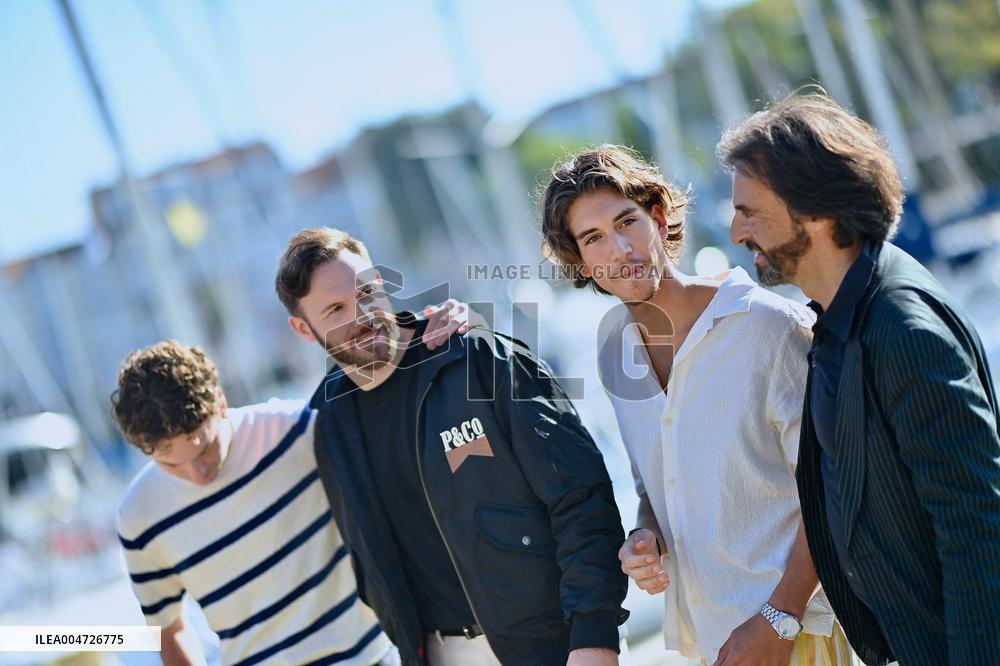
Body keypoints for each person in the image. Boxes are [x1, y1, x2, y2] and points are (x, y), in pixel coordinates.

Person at [540, 145, 856, 666]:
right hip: (715, 644)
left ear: (659, 219)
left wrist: (781, 617)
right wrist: (645, 534)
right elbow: (655, 482)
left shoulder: (768, 326)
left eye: (627, 222)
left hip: (809, 634)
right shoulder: (614, 353)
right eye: (593, 238)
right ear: (581, 262)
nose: (619, 249)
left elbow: (836, 487)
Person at [718, 90, 1000, 666]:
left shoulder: (902, 329)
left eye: (749, 210)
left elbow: (979, 531)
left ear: (815, 213)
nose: (736, 231)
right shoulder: (835, 321)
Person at [276, 227, 629, 666]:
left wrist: (594, 634)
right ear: (303, 329)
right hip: (444, 655)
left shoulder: (475, 359)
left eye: (367, 291)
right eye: (335, 309)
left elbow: (581, 497)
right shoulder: (328, 426)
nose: (363, 314)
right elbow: (372, 563)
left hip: (559, 641)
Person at [112, 305, 472, 665]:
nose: (198, 474)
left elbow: (394, 436)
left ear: (221, 404)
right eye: (171, 463)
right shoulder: (138, 514)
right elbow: (168, 629)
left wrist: (442, 328)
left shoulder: (297, 431)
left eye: (205, 449)